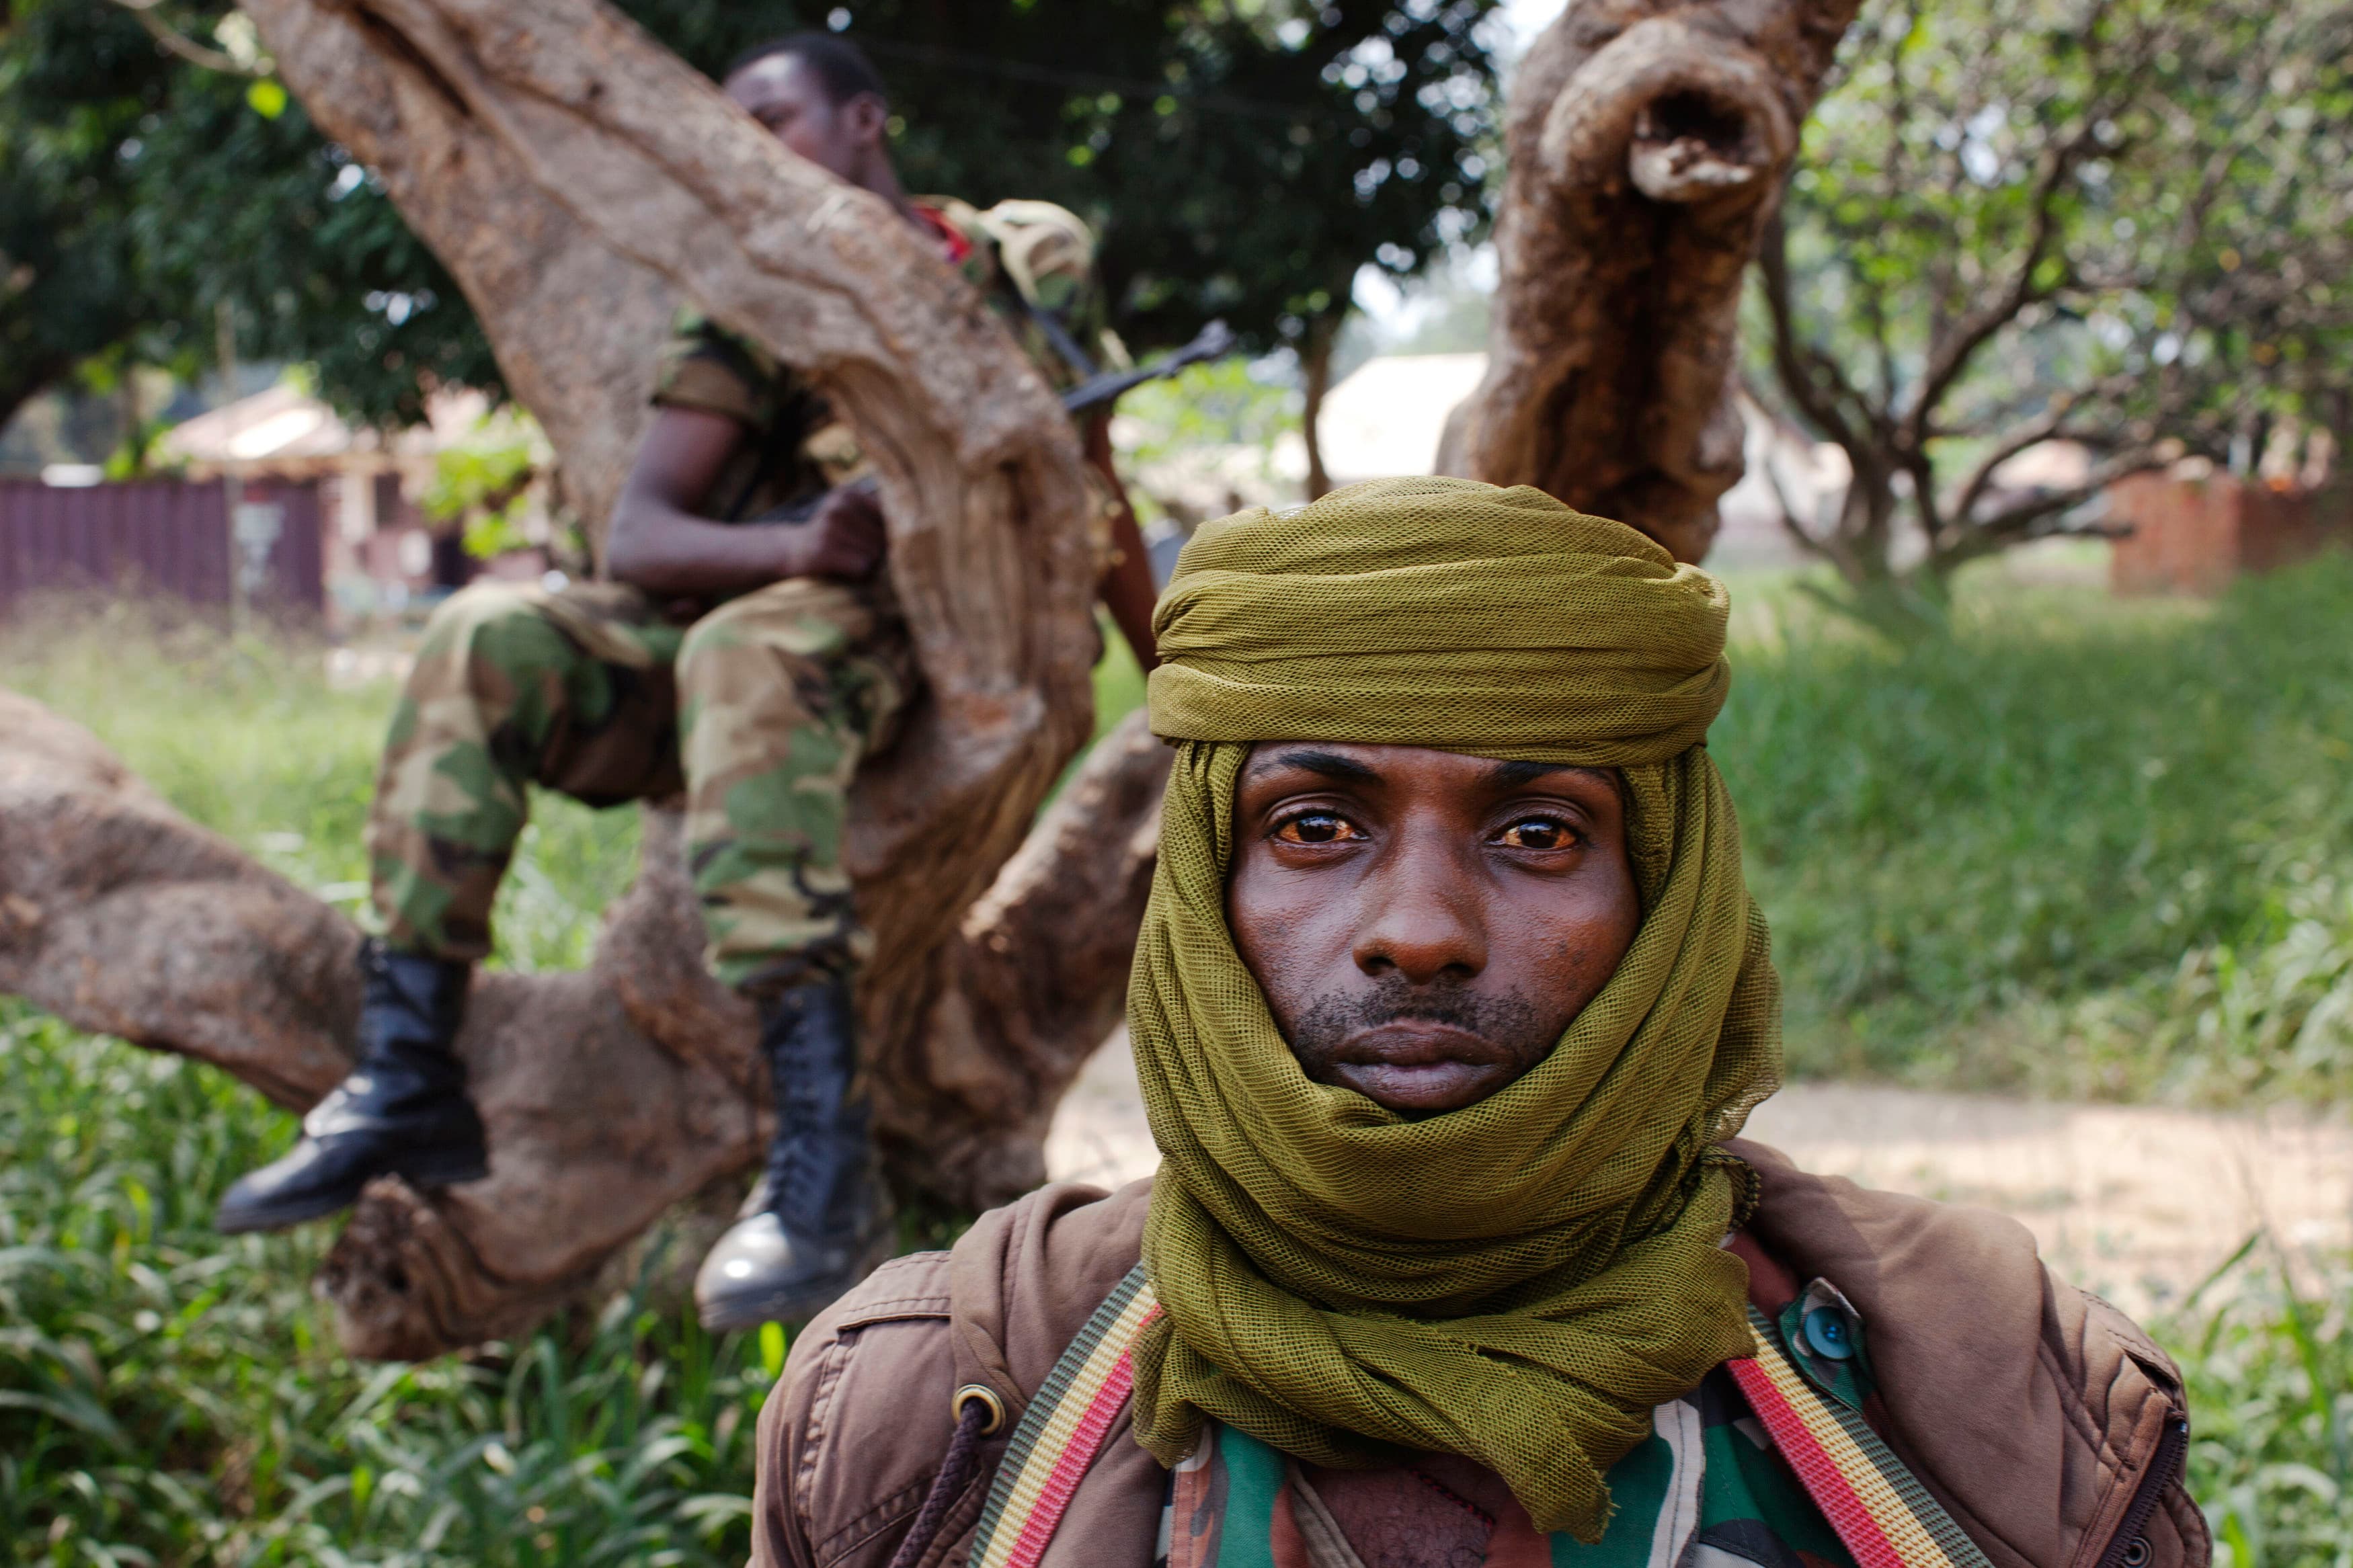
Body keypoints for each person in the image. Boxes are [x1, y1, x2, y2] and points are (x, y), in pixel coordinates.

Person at [747, 479, 2207, 1568]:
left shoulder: (2016, 1411)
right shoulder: (918, 1411)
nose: (1422, 932)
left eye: (1537, 834)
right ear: (1200, 881)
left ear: (1669, 897)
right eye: (1315, 826)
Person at [212, 32, 1163, 1335]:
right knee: (486, 636)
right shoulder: (753, 303)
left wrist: (1177, 670)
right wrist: (795, 541)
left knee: (746, 650)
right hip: (756, 633)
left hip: (910, 647)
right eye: (726, 135)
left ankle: (823, 1170)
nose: (747, 161)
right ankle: (406, 1066)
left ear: (867, 123)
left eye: (775, 123)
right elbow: (645, 534)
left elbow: (1093, 489)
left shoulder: (1007, 265)